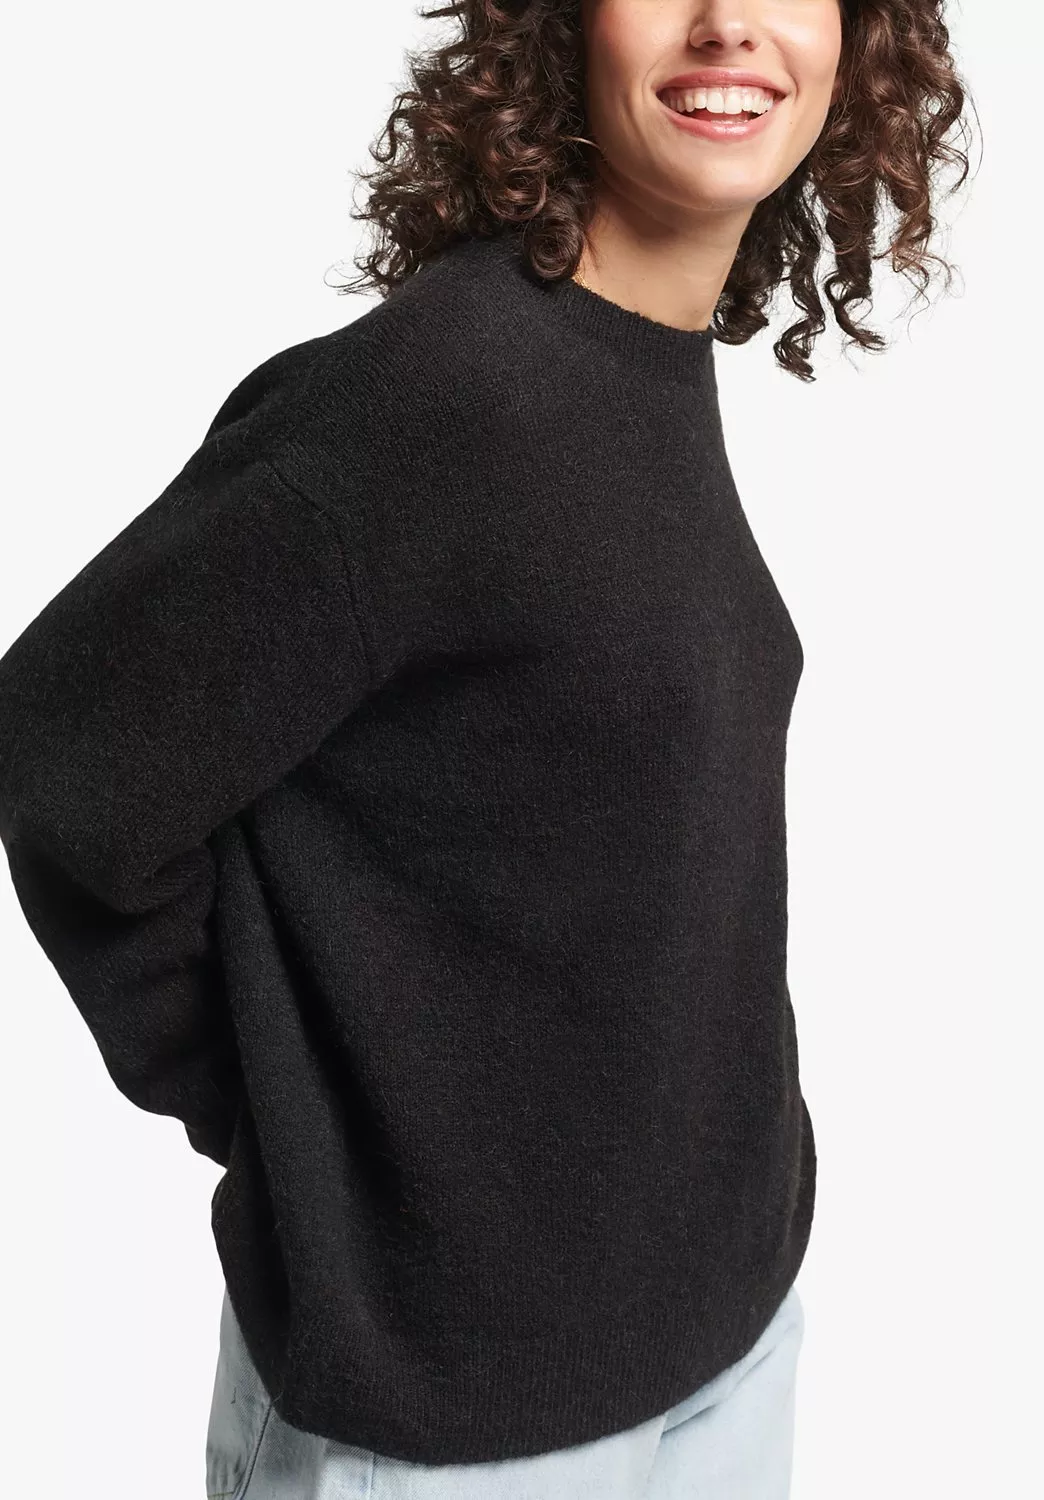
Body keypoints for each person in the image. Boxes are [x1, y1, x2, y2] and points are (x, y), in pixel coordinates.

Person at [0, 1, 972, 1495]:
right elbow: (64, 759)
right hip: (454, 1417)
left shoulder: (634, 358)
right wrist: (299, 1131)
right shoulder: (436, 395)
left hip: (719, 1335)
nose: (730, 22)